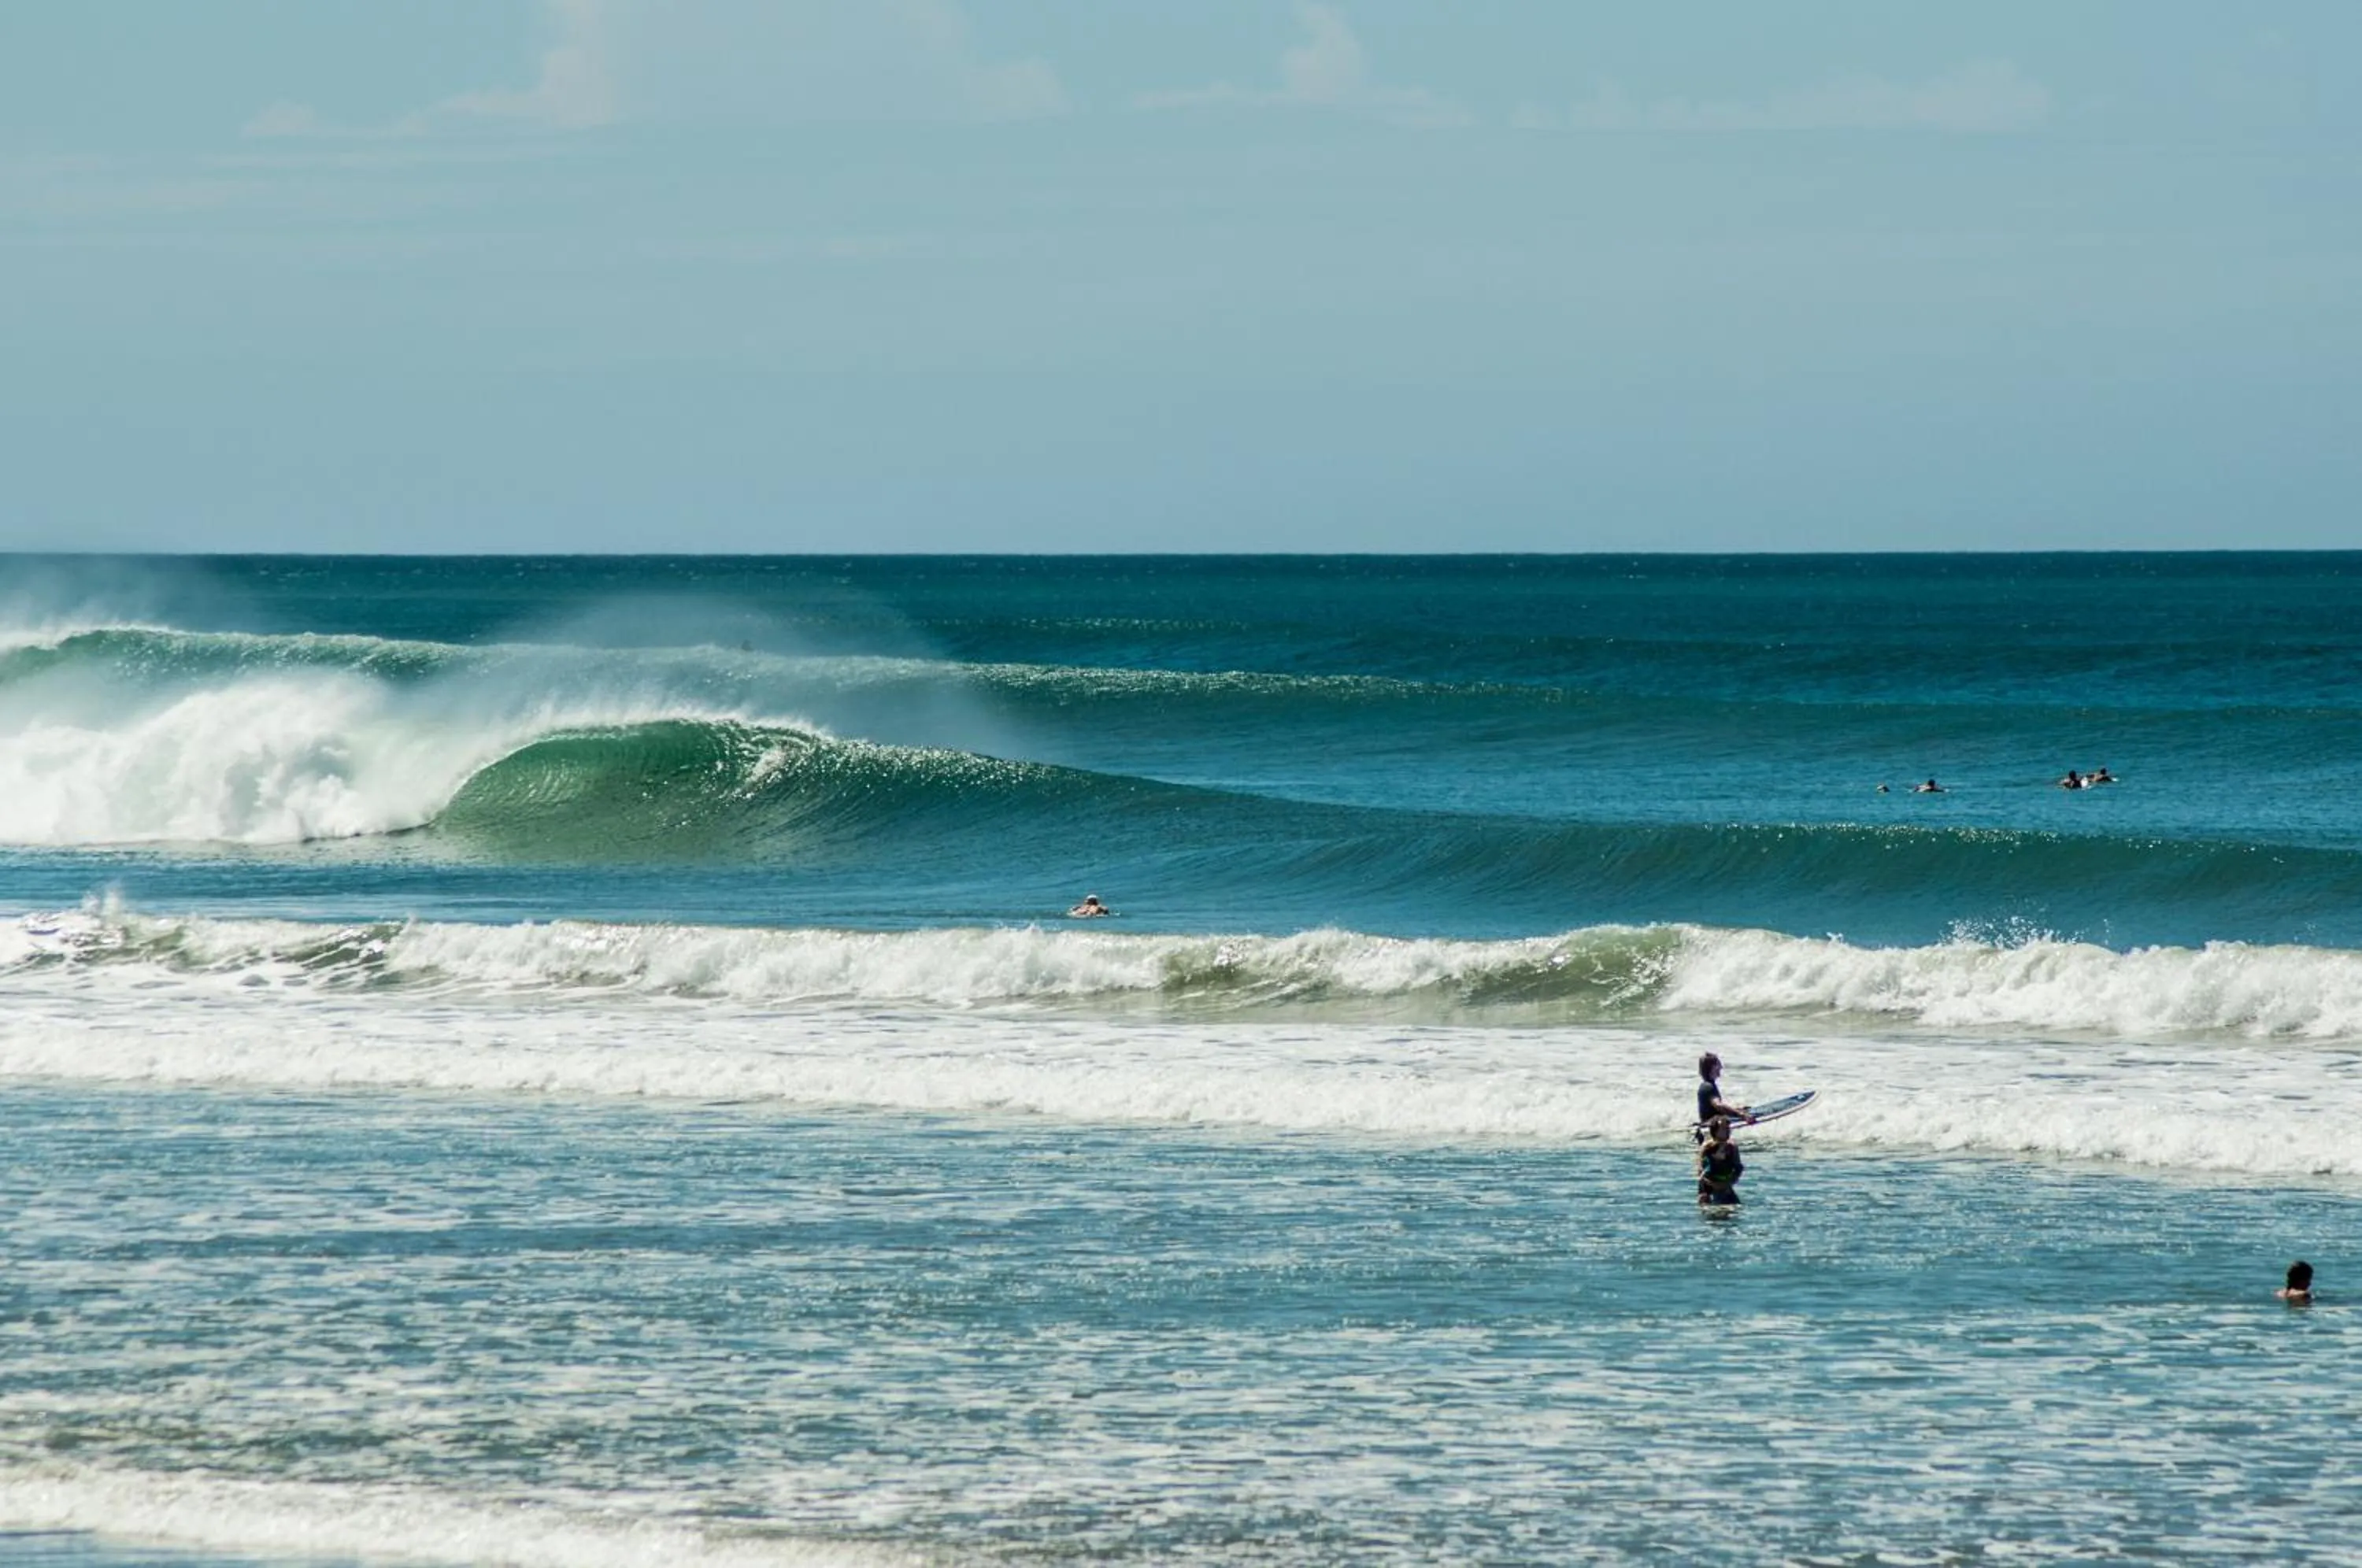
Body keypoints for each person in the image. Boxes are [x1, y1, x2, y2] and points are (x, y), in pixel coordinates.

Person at [1696, 1052, 1749, 1132]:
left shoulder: (1707, 1085)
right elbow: (1718, 1105)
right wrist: (1741, 1115)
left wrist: (1736, 1110)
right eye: (1718, 1064)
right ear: (1712, 1068)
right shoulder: (1708, 1087)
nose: (1721, 1067)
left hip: (1711, 1123)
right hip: (1713, 1127)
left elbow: (1714, 1110)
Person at [1697, 1117, 1745, 1206]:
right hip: (1708, 1187)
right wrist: (1712, 1185)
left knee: (1735, 1208)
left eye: (1728, 1128)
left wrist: (1728, 1183)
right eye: (1724, 1129)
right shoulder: (1707, 1147)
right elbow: (1700, 1170)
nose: (1728, 1131)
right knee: (1710, 1212)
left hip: (1726, 1185)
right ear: (1715, 1130)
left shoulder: (1732, 1147)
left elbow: (1738, 1168)